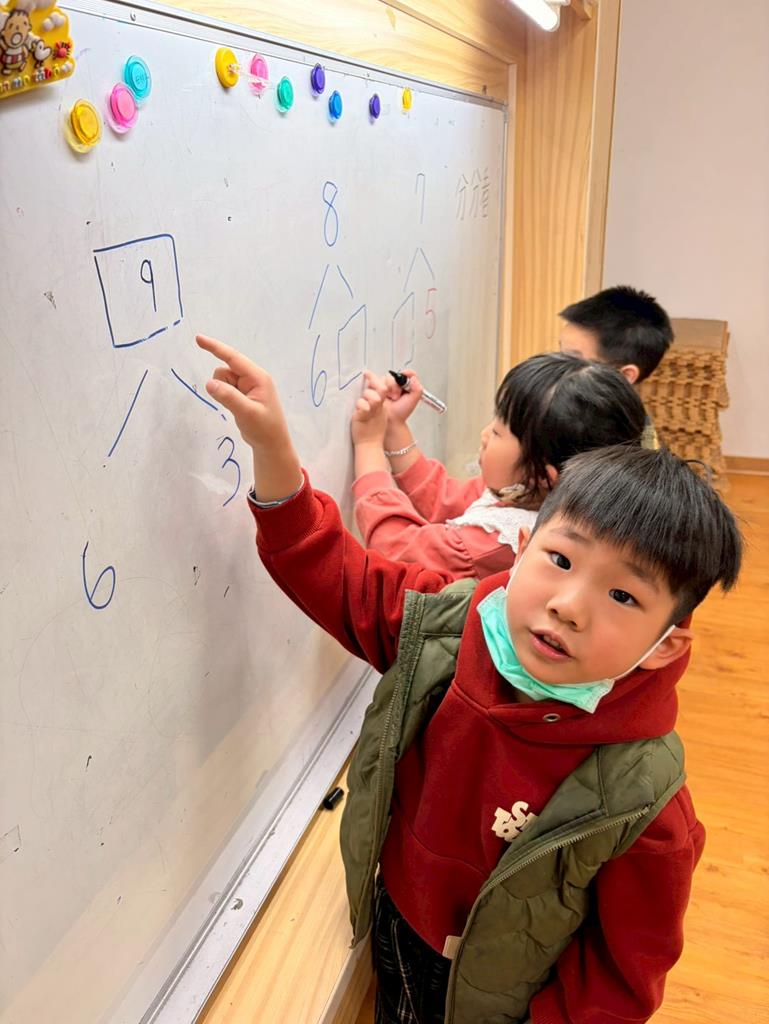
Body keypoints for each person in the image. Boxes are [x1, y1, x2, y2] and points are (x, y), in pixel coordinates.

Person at [195, 332, 742, 1024]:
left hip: (505, 1001)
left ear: (665, 648)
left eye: (623, 596)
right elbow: (338, 577)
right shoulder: (452, 630)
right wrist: (274, 448)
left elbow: (620, 979)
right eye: (560, 560)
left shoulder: (644, 801)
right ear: (522, 543)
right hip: (395, 926)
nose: (568, 606)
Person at [352, 354, 645, 579]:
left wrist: (368, 446)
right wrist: (393, 426)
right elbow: (445, 499)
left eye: (497, 431)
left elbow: (395, 546)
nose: (484, 435)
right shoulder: (532, 495)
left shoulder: (499, 542)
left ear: (542, 476)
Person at [559, 285, 674, 448]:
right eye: (559, 352)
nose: (554, 363)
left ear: (625, 375)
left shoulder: (618, 441)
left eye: (572, 359)